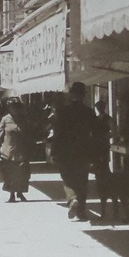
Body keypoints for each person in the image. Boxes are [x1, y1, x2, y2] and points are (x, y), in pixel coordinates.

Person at [48, 82, 100, 221]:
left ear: (71, 95)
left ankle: (72, 199)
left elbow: (57, 133)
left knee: (68, 179)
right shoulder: (89, 112)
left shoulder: (63, 112)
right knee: (82, 181)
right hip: (83, 150)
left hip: (65, 151)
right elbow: (96, 133)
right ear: (83, 95)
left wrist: (53, 152)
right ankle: (81, 212)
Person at [0, 96, 30, 203]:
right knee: (10, 173)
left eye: (17, 107)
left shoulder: (24, 118)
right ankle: (12, 195)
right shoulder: (5, 119)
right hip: (8, 151)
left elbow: (28, 133)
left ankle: (20, 192)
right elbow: (0, 135)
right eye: (12, 107)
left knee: (23, 172)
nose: (15, 109)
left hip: (21, 150)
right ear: (9, 108)